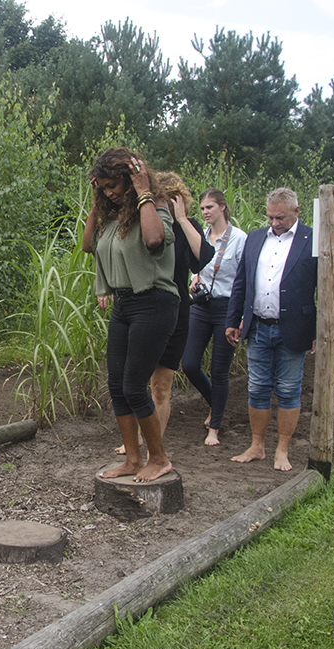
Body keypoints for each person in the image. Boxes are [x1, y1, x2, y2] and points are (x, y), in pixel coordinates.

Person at [83, 147, 179, 483]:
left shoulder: (157, 206)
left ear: (131, 179)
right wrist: (97, 199)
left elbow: (154, 240)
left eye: (114, 185)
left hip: (154, 302)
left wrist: (143, 191)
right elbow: (87, 244)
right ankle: (133, 460)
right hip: (124, 304)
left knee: (135, 386)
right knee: (117, 384)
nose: (110, 192)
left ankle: (160, 458)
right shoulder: (112, 216)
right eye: (104, 187)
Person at [113, 171, 214, 454]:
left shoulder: (186, 226)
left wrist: (181, 219)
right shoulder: (143, 224)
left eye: (169, 201)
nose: (162, 206)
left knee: (161, 387)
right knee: (132, 381)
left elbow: (202, 260)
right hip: (142, 309)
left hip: (176, 310)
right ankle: (134, 439)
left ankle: (152, 445)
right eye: (158, 199)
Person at [225, 187, 317, 471]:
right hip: (258, 327)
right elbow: (241, 282)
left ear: (296, 212)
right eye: (271, 217)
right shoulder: (255, 238)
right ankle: (257, 446)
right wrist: (232, 319)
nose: (275, 223)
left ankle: (282, 450)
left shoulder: (312, 239)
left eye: (280, 217)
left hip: (294, 327)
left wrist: (317, 330)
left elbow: (325, 287)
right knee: (257, 388)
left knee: (289, 390)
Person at [181, 189, 247, 447]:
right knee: (189, 364)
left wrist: (239, 315)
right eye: (203, 208)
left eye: (210, 207)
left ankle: (215, 428)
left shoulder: (239, 239)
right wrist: (193, 280)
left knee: (219, 370)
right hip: (201, 304)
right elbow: (194, 266)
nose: (205, 212)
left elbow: (243, 278)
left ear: (222, 207)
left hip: (227, 307)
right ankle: (216, 404)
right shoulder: (200, 237)